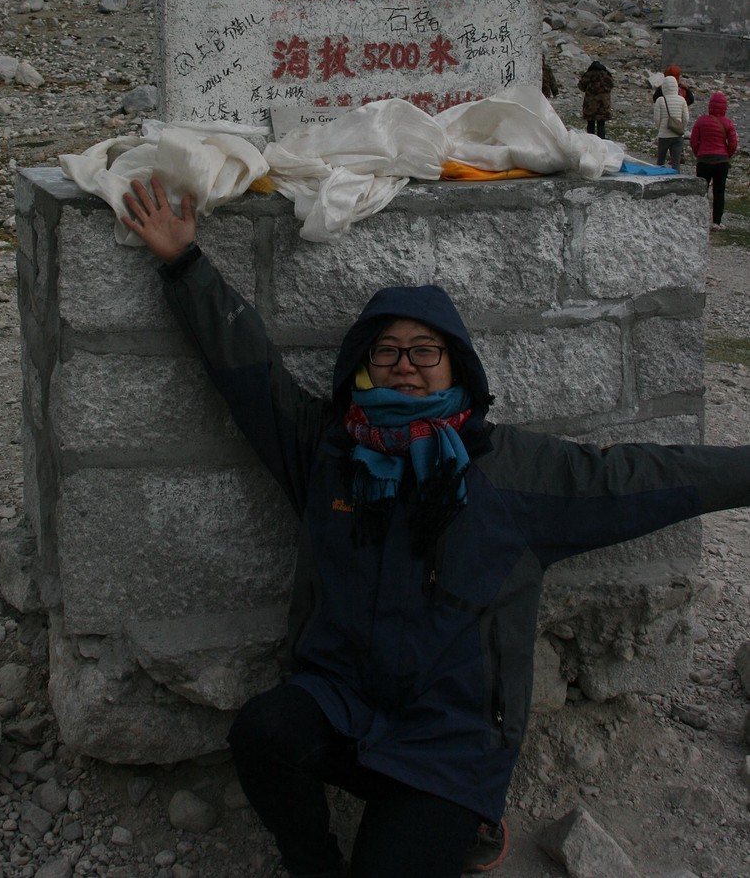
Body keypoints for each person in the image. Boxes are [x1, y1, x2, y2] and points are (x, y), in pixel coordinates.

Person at [120, 176, 750, 878]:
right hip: (343, 704)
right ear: (363, 369)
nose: (405, 366)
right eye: (386, 352)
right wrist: (185, 263)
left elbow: (641, 478)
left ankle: (466, 823)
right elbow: (248, 375)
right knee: (263, 733)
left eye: (426, 351)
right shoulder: (329, 453)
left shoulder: (513, 474)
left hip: (450, 742)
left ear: (456, 367)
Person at [690, 91, 739, 229]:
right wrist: (726, 155)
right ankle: (716, 222)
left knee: (701, 191)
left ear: (710, 105)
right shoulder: (728, 123)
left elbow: (693, 141)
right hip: (721, 162)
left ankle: (700, 219)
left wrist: (699, 154)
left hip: (703, 161)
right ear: (724, 107)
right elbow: (733, 144)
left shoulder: (701, 121)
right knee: (719, 192)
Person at [653, 72, 690, 170]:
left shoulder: (660, 100)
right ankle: (676, 177)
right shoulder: (682, 100)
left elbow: (657, 119)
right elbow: (686, 118)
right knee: (676, 162)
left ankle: (659, 177)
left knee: (660, 161)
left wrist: (660, 128)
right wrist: (681, 127)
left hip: (664, 135)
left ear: (664, 87)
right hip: (677, 135)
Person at [577, 60, 613, 137]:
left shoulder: (588, 74)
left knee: (590, 124)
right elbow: (611, 85)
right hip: (603, 103)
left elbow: (581, 86)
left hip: (590, 103)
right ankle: (602, 140)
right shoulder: (606, 75)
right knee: (601, 124)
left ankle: (591, 140)